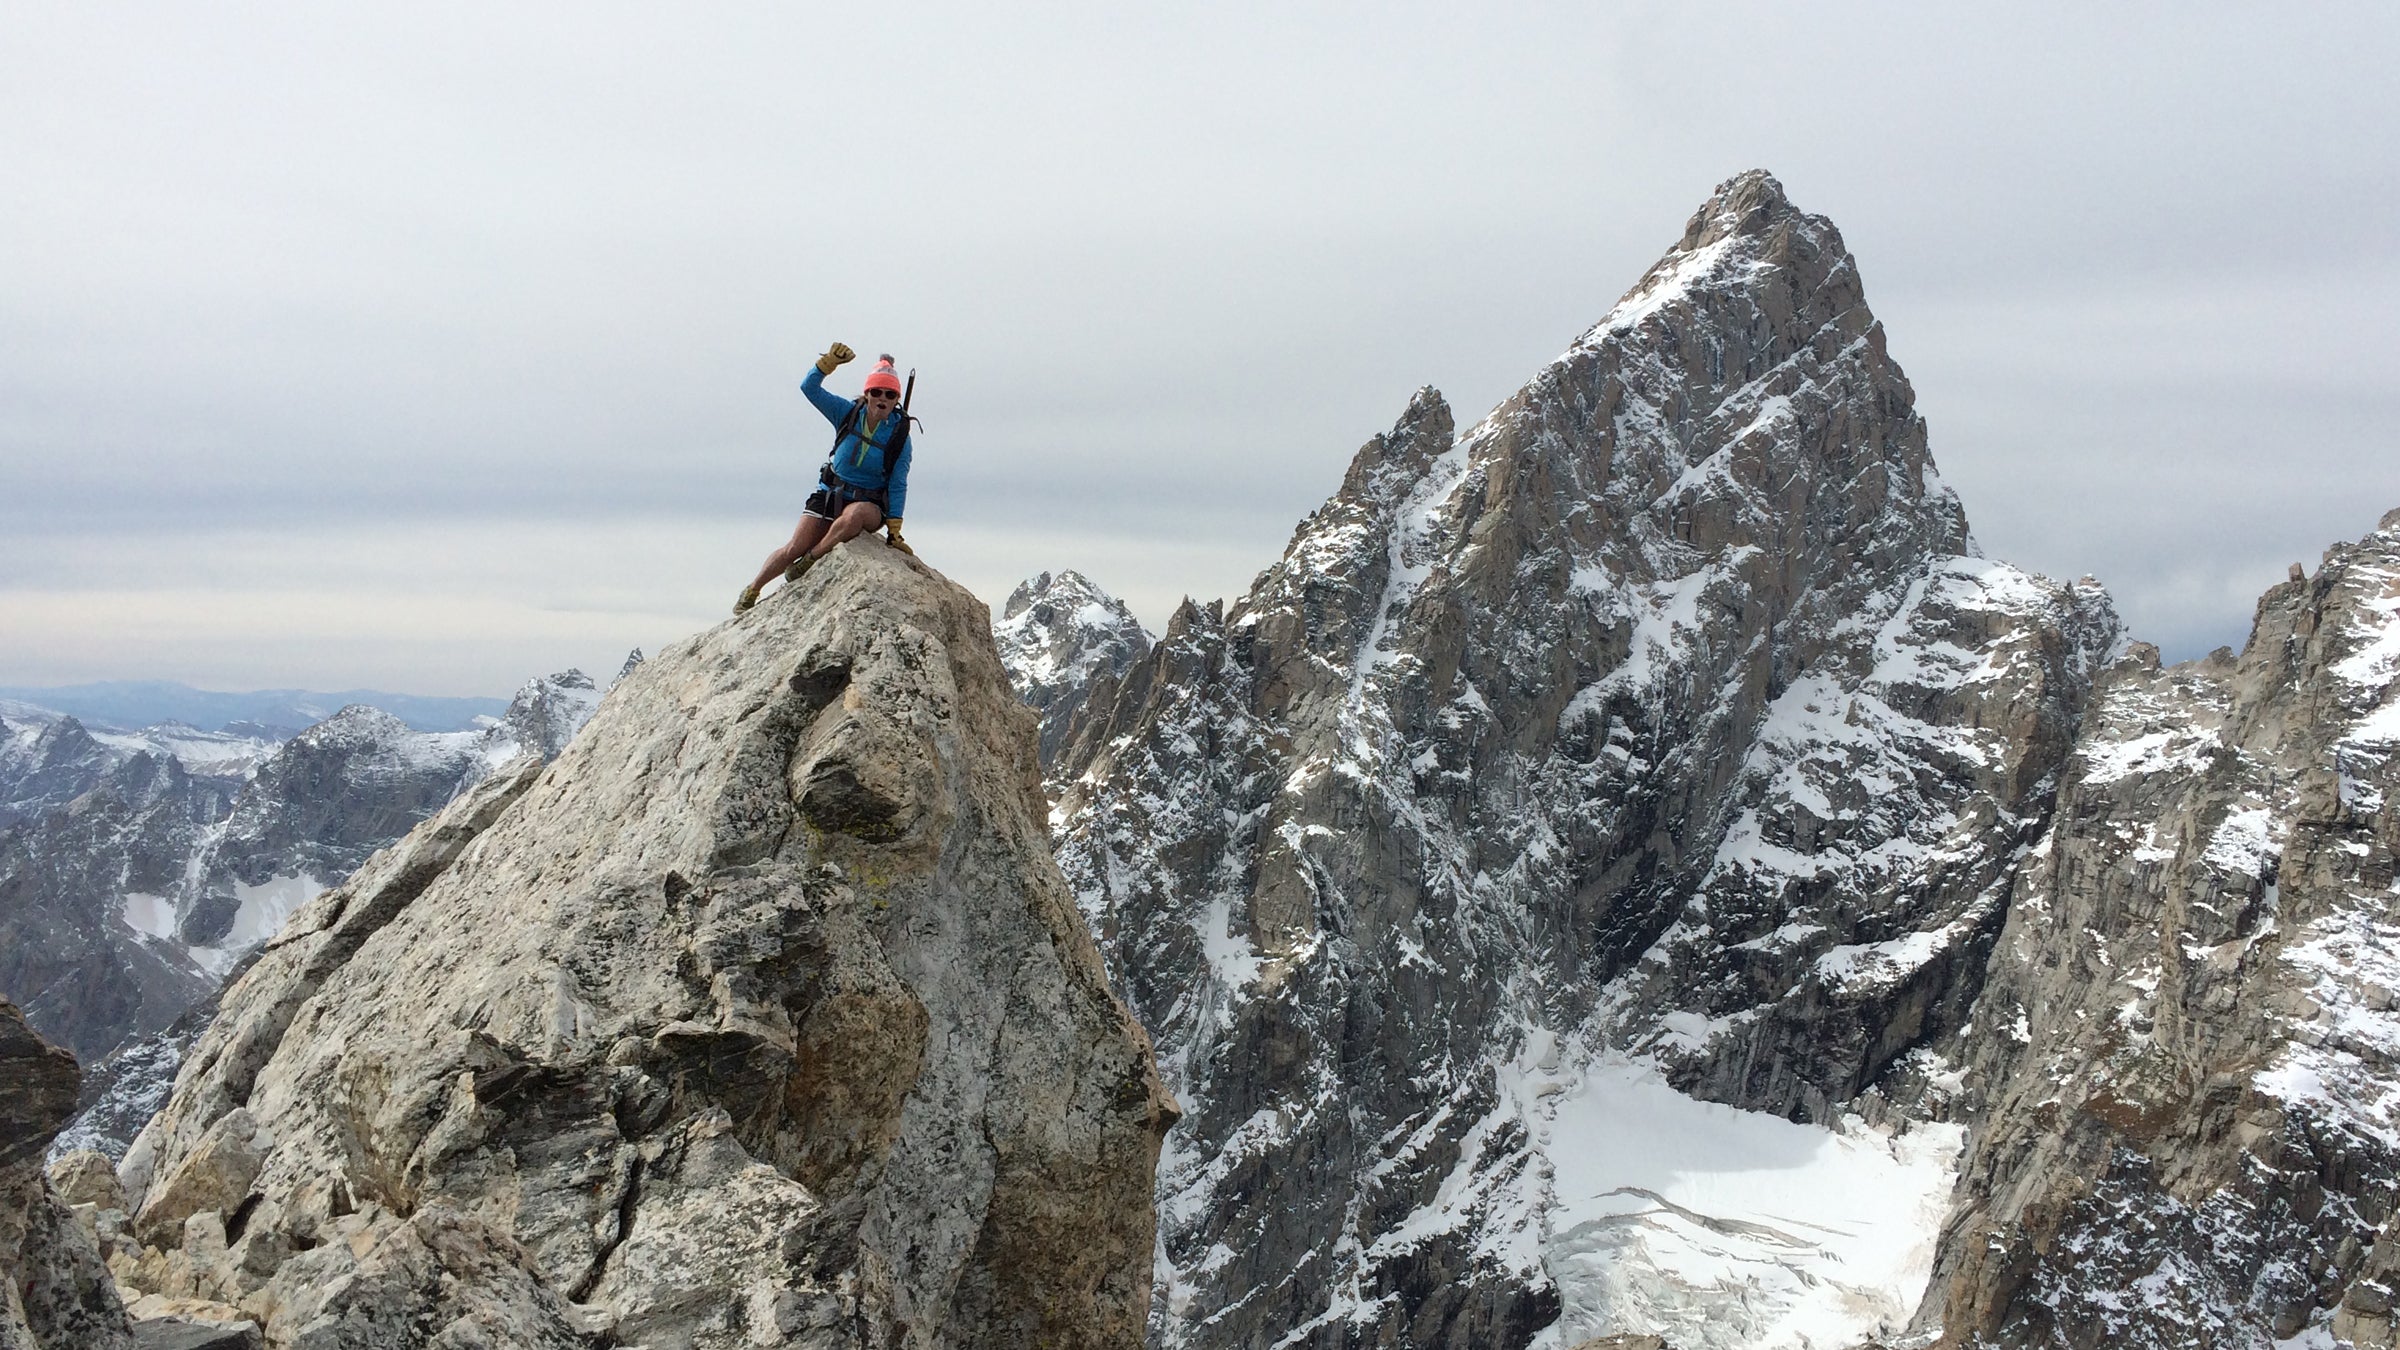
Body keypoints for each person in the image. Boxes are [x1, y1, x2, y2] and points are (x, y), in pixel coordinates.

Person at [736, 343, 915, 614]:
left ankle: (811, 560)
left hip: (870, 504)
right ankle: (752, 590)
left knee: (853, 517)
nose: (882, 398)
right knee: (793, 547)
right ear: (867, 393)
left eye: (890, 394)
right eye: (876, 392)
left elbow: (898, 483)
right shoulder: (847, 412)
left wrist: (894, 529)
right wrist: (827, 364)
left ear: (896, 399)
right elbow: (809, 388)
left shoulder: (900, 437)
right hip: (830, 492)